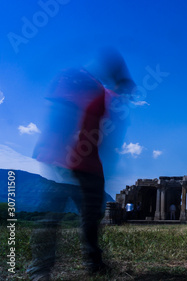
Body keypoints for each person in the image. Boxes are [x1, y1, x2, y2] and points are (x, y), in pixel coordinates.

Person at [27, 48, 136, 280]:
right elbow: (64, 116)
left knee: (78, 215)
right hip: (72, 159)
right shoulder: (88, 85)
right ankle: (46, 268)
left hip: (72, 159)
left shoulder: (87, 85)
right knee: (72, 216)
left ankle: (64, 266)